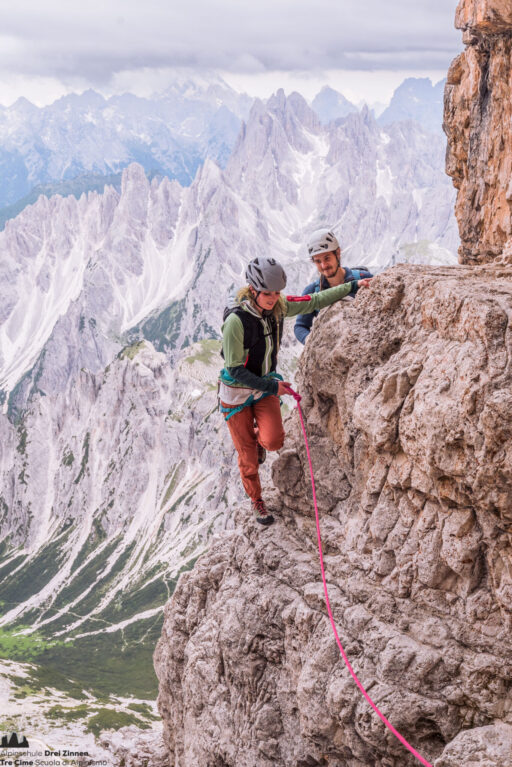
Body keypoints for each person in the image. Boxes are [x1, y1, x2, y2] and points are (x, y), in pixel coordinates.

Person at [219, 255, 371, 526]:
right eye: (268, 293)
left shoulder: (277, 306)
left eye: (277, 292)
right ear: (253, 290)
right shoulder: (236, 322)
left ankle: (258, 439)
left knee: (274, 441)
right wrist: (273, 386)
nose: (274, 297)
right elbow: (234, 371)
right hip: (236, 394)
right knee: (248, 458)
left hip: (264, 386)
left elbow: (312, 301)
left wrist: (353, 287)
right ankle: (257, 501)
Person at [294, 229, 373, 344]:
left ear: (338, 253)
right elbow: (300, 326)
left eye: (327, 258)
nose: (324, 265)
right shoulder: (312, 291)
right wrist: (312, 344)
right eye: (318, 261)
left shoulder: (362, 278)